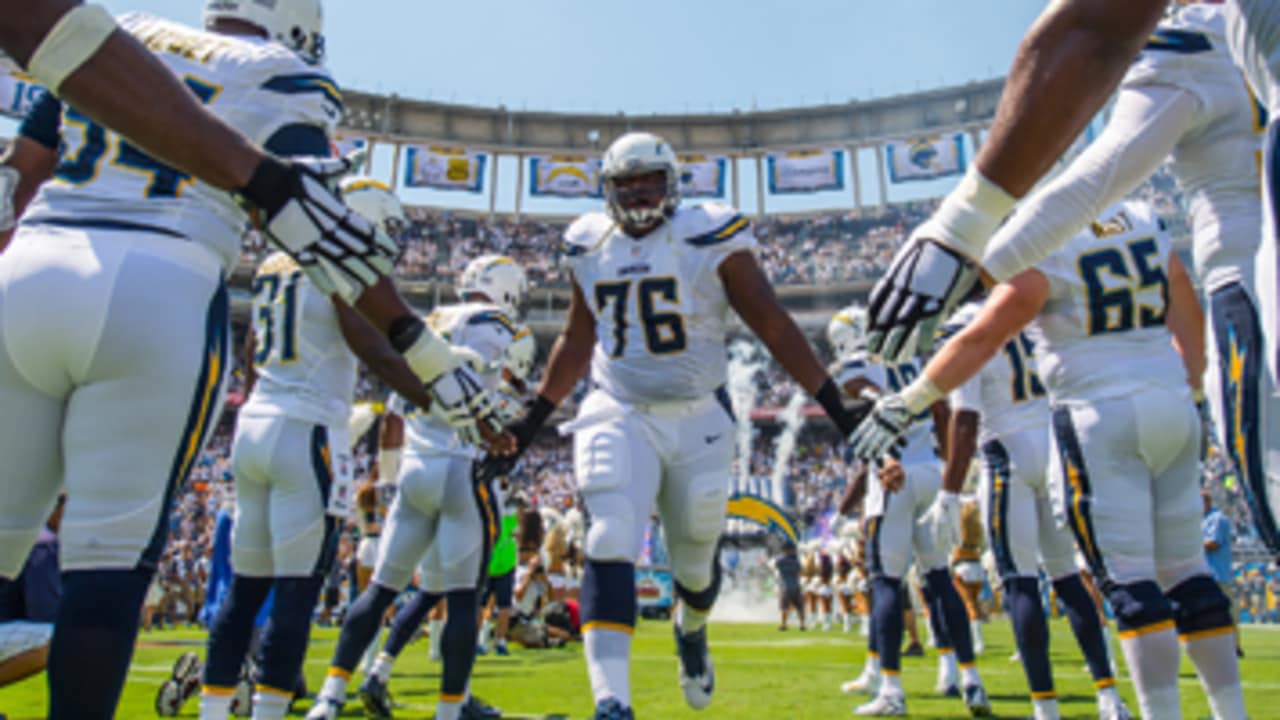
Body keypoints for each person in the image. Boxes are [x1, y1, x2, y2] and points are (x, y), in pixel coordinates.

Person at [477, 131, 866, 720]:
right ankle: (613, 703)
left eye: (648, 181)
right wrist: (530, 424)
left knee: (694, 568)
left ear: (672, 184)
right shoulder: (588, 242)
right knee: (607, 537)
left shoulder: (707, 234)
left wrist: (838, 409)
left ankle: (692, 628)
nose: (637, 194)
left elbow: (774, 325)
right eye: (624, 183)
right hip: (618, 407)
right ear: (606, 190)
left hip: (698, 416)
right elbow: (578, 340)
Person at [852, 201, 1246, 720]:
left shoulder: (1043, 236)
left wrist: (909, 400)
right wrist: (1192, 390)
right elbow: (1184, 301)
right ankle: (1223, 711)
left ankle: (1091, 709)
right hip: (1169, 400)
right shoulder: (1140, 213)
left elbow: (986, 334)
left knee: (1119, 582)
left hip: (1089, 420)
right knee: (1186, 573)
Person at [199, 178, 432, 720]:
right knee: (297, 592)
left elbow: (255, 349)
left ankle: (213, 712)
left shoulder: (274, 263)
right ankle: (268, 711)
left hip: (255, 424)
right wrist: (433, 396)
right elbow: (370, 345)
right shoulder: (338, 260)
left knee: (245, 592)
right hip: (305, 430)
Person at [307, 255, 529, 720]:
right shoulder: (498, 324)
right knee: (464, 597)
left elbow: (397, 405)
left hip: (415, 467)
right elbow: (490, 386)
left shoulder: (428, 321)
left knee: (383, 590)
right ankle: (451, 709)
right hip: (462, 467)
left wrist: (389, 474)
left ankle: (330, 696)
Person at [933, 300, 1130, 720]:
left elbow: (964, 420)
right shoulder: (1027, 311)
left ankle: (1045, 707)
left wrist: (950, 492)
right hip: (1054, 447)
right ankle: (1108, 695)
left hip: (1007, 453)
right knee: (1068, 578)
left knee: (1020, 582)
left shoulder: (965, 328)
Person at [825, 305, 991, 717]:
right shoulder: (914, 358)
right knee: (939, 579)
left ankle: (892, 690)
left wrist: (881, 406)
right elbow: (940, 412)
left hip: (892, 477)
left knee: (885, 582)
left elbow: (856, 392)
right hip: (931, 471)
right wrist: (948, 475)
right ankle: (966, 676)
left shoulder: (858, 365)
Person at [1202, 488, 1241, 656]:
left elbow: (1213, 543)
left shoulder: (1216, 519)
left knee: (1226, 611)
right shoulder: (1203, 520)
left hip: (1218, 573)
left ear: (1207, 502)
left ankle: (1234, 647)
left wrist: (1190, 546)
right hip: (1206, 574)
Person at [773, 542, 805, 631]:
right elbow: (800, 571)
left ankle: (783, 625)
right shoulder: (796, 560)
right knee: (799, 606)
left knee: (784, 607)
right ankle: (802, 625)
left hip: (785, 585)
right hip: (796, 584)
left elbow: (775, 567)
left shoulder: (780, 560)